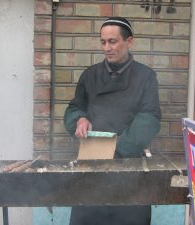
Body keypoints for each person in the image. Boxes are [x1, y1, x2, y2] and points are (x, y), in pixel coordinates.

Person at [63, 17, 161, 225]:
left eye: (112, 41)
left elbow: (150, 118)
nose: (107, 47)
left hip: (130, 168)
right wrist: (79, 119)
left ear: (129, 42)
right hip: (91, 167)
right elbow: (75, 107)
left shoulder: (146, 77)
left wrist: (116, 148)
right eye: (103, 42)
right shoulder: (89, 75)